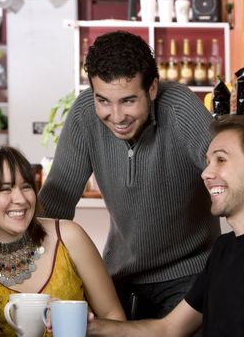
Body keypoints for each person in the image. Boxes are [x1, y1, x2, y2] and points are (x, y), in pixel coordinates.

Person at [38, 30, 220, 319]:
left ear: (152, 89)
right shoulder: (85, 112)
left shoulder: (180, 106)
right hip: (120, 274)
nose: (117, 116)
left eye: (127, 101)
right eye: (104, 101)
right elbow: (56, 202)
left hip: (190, 271)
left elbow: (224, 169)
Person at [87, 114, 244, 336]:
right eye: (207, 162)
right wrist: (90, 326)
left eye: (221, 159)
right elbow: (168, 329)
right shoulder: (224, 247)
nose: (205, 173)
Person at [0, 145, 126, 336]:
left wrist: (79, 322)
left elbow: (115, 317)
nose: (21, 199)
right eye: (5, 189)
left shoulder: (68, 235)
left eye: (26, 186)